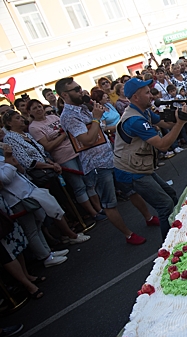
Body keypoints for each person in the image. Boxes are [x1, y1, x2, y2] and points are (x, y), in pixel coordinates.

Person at [57, 77, 146, 245]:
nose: (80, 92)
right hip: (96, 164)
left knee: (132, 190)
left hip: (111, 156)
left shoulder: (84, 107)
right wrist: (96, 118)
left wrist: (96, 114)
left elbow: (100, 126)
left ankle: (148, 216)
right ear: (64, 95)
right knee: (110, 202)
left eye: (80, 88)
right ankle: (128, 235)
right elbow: (88, 139)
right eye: (76, 90)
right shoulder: (68, 116)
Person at [113, 78, 187, 239]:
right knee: (164, 205)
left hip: (140, 166)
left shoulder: (143, 111)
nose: (151, 96)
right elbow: (162, 145)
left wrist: (178, 116)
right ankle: (169, 246)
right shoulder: (135, 120)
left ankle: (177, 227)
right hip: (131, 171)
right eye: (147, 93)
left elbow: (164, 123)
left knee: (171, 194)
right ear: (136, 97)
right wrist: (180, 123)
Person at [2, 110, 91, 244]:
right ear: (9, 123)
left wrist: (52, 163)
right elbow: (27, 162)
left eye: (20, 117)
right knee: (52, 205)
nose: (21, 119)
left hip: (49, 170)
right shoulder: (10, 138)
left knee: (60, 201)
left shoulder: (26, 134)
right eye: (17, 118)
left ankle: (70, 229)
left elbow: (40, 153)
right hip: (38, 177)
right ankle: (69, 234)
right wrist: (49, 166)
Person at [26, 99, 106, 222]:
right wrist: (63, 135)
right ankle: (93, 213)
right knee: (79, 186)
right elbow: (48, 146)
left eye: (39, 106)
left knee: (89, 182)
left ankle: (100, 208)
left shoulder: (53, 117)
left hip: (78, 151)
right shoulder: (34, 127)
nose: (38, 109)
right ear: (29, 112)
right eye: (34, 108)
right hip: (64, 157)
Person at [0, 145, 70, 268]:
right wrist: (8, 162)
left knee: (38, 224)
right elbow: (5, 178)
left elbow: (18, 171)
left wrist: (13, 163)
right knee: (31, 229)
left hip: (27, 192)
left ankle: (48, 252)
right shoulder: (4, 158)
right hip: (16, 199)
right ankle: (45, 257)